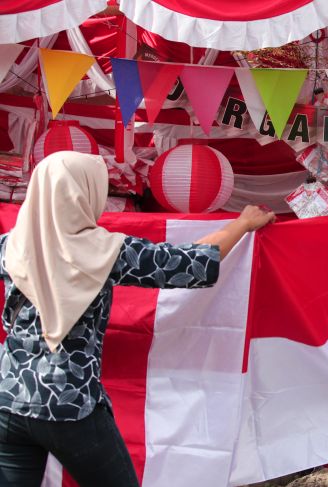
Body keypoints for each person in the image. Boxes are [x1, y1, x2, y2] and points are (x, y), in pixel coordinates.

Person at [0, 151, 275, 487]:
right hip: (70, 405)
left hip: (9, 398)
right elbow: (189, 265)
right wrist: (243, 224)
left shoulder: (9, 246)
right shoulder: (104, 251)